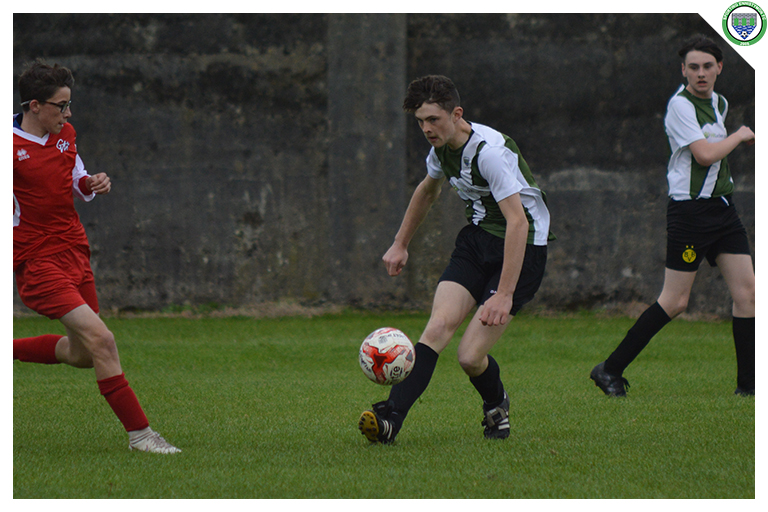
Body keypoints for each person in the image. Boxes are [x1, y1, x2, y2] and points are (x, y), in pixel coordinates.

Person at [358, 75, 553, 443]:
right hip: (477, 242)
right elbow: (427, 191)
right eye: (420, 121)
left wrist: (504, 294)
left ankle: (497, 405)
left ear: (457, 114)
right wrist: (400, 243)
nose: (427, 128)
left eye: (433, 119)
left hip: (521, 249)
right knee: (436, 329)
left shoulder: (490, 153)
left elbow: (518, 222)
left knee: (469, 357)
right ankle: (390, 421)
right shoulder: (441, 149)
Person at [13, 60, 181, 453]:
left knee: (84, 354)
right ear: (34, 105)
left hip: (74, 249)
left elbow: (73, 177)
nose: (68, 114)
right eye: (61, 105)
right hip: (37, 261)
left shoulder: (65, 134)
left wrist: (91, 182)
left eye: (70, 104)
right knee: (103, 341)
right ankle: (141, 435)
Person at [590, 35, 755, 397]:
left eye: (707, 66)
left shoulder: (720, 102)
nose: (701, 73)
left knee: (749, 294)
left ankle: (749, 389)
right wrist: (741, 134)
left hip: (723, 209)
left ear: (719, 68)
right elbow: (704, 156)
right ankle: (609, 369)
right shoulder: (679, 106)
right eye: (693, 67)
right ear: (683, 71)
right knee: (675, 301)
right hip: (690, 213)